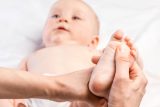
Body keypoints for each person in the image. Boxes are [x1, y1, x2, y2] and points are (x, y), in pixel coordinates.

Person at [0, 0, 147, 107]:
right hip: (36, 98)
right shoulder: (33, 56)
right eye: (55, 16)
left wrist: (129, 58)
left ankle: (122, 61)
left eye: (76, 18)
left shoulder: (91, 52)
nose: (63, 19)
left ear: (93, 41)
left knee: (105, 80)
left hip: (80, 96)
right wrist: (15, 100)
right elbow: (17, 81)